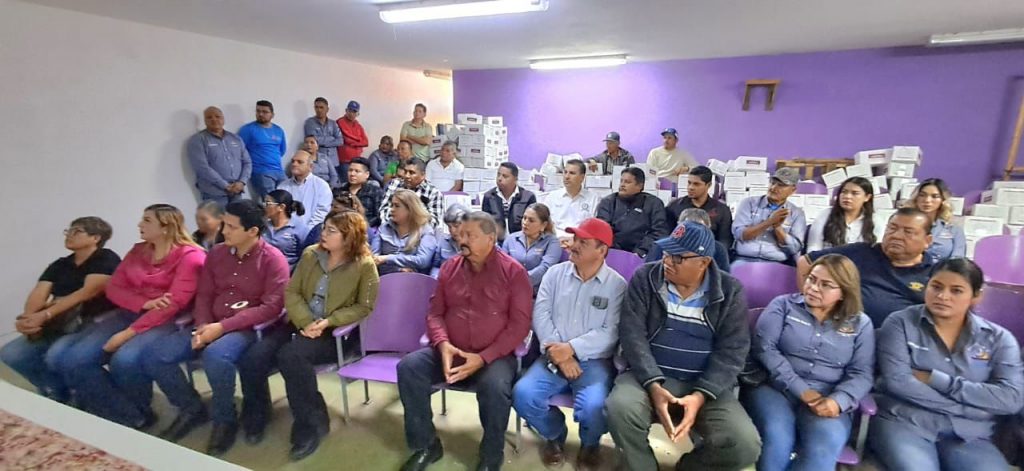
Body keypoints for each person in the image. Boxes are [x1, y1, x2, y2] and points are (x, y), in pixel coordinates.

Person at [607, 221, 760, 471]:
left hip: (703, 384)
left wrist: (700, 395)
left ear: (704, 262)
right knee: (620, 407)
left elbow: (732, 351)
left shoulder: (730, 291)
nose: (668, 261)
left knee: (744, 444)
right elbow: (632, 335)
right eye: (667, 253)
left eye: (678, 257)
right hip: (648, 377)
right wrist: (653, 384)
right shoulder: (646, 277)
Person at [142, 200, 290, 455]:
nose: (224, 231)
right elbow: (204, 295)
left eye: (232, 227)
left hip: (247, 327)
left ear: (252, 231)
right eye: (224, 225)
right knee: (156, 355)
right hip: (210, 322)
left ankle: (225, 419)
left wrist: (221, 328)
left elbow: (271, 308)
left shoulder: (273, 259)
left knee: (216, 355)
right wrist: (202, 325)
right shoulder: (218, 253)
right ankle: (191, 408)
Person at [397, 212, 532, 471]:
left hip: (493, 356)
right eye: (460, 234)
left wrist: (482, 358)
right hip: (452, 350)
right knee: (409, 367)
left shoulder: (514, 272)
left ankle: (491, 456)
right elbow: (435, 313)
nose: (462, 240)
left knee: (495, 386)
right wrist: (443, 344)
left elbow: (519, 326)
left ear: (490, 239)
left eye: (470, 235)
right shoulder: (450, 267)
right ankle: (426, 445)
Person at [869, 258, 1023, 470]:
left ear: (976, 296)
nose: (943, 296)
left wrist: (937, 380)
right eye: (936, 287)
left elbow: (1011, 399)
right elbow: (898, 381)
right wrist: (969, 408)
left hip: (969, 434)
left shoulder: (998, 338)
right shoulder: (900, 323)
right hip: (906, 422)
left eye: (956, 290)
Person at [62, 205, 206, 428]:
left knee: (125, 359)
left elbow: (172, 304)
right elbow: (114, 288)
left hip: (166, 320)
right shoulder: (139, 250)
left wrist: (126, 334)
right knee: (75, 359)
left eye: (147, 220)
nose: (140, 224)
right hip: (130, 312)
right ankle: (129, 414)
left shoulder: (191, 256)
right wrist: (143, 303)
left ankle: (144, 412)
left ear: (166, 227)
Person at [741, 254, 874, 471]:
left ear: (844, 292)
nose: (813, 288)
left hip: (828, 395)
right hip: (775, 388)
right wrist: (802, 390)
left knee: (825, 443)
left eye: (825, 285)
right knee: (777, 436)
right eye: (811, 279)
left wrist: (838, 401)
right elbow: (765, 350)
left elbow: (862, 373)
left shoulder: (860, 324)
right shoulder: (783, 305)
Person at [512, 218, 626, 470]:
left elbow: (611, 332)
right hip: (552, 355)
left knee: (595, 407)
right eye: (575, 239)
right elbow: (541, 315)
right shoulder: (554, 274)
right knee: (523, 395)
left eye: (583, 243)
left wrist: (571, 349)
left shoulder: (617, 286)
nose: (574, 246)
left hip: (594, 361)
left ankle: (590, 444)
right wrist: (558, 352)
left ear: (602, 250)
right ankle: (554, 434)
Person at [279, 210, 380, 460]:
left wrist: (328, 322)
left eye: (331, 231)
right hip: (302, 323)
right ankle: (306, 412)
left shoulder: (364, 264)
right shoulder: (311, 254)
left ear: (349, 237)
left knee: (290, 357)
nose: (323, 234)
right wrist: (306, 322)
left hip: (335, 334)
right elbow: (292, 292)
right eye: (324, 228)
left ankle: (308, 426)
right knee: (261, 355)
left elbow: (364, 307)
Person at [1, 217, 120, 404]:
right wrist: (29, 320)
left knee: (57, 355)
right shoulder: (61, 264)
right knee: (12, 353)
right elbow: (39, 292)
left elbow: (88, 292)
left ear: (95, 238)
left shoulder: (106, 258)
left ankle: (96, 398)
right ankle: (59, 392)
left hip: (95, 321)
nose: (69, 235)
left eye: (77, 231)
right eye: (68, 231)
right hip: (61, 322)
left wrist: (46, 314)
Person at [799, 207, 935, 327]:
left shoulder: (934, 274)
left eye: (908, 232)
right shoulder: (860, 252)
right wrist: (812, 305)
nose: (896, 236)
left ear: (927, 241)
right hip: (843, 332)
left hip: (895, 339)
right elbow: (805, 261)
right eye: (892, 228)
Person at [732, 167, 806, 265]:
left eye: (781, 185)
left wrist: (777, 228)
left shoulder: (797, 213)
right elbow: (740, 235)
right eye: (772, 182)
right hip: (744, 259)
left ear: (793, 190)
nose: (773, 188)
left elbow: (795, 248)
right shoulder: (749, 203)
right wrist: (769, 222)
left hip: (776, 263)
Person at [595, 167, 670, 258]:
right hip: (611, 252)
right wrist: (616, 252)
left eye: (627, 182)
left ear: (640, 186)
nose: (622, 185)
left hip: (643, 254)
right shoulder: (608, 202)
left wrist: (640, 252)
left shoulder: (654, 203)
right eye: (621, 181)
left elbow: (659, 232)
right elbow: (603, 229)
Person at [187, 106, 252, 205]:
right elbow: (201, 167)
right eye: (209, 117)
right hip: (214, 192)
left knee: (237, 215)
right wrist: (225, 185)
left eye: (217, 116)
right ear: (204, 120)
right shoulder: (198, 140)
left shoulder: (235, 138)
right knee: (218, 216)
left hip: (237, 190)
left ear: (223, 119)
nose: (214, 119)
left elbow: (247, 162)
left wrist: (242, 182)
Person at [665, 165, 733, 251]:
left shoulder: (722, 210)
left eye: (696, 184)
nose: (690, 187)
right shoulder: (674, 206)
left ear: (708, 185)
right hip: (679, 253)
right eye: (689, 183)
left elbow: (725, 240)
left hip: (710, 253)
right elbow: (667, 235)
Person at [372, 189, 438, 275]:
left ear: (410, 209)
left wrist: (387, 258)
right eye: (391, 205)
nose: (391, 209)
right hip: (385, 277)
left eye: (397, 206)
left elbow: (423, 261)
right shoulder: (384, 228)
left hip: (415, 279)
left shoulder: (425, 230)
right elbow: (374, 260)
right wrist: (398, 269)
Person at [501, 203, 562, 291]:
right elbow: (502, 264)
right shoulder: (511, 239)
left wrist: (520, 281)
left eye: (531, 220)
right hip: (509, 288)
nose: (525, 223)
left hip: (538, 291)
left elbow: (546, 267)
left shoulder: (552, 242)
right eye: (524, 218)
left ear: (543, 225)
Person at [646, 208, 731, 272]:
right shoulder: (661, 245)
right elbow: (649, 272)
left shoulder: (718, 249)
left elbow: (723, 279)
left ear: (708, 229)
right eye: (687, 228)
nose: (692, 233)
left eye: (698, 229)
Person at [806, 177, 877, 252]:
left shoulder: (875, 220)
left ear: (867, 197)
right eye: (844, 192)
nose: (847, 196)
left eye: (855, 193)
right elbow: (814, 246)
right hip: (828, 258)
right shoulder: (825, 214)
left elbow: (876, 251)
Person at [904, 178, 966, 262]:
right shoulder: (903, 225)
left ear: (943, 200)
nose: (927, 200)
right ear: (916, 198)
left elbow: (957, 260)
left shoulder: (954, 230)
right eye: (922, 195)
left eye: (935, 196)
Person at [540, 159, 601, 240]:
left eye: (572, 173)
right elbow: (544, 224)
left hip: (581, 242)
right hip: (555, 241)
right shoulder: (552, 197)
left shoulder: (594, 199)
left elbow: (594, 228)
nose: (567, 177)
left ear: (582, 177)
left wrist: (576, 240)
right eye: (565, 172)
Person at [238, 100, 287, 199]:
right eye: (258, 111)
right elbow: (239, 151)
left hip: (279, 170)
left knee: (286, 198)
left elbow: (282, 150)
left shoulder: (278, 130)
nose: (260, 114)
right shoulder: (248, 129)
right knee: (272, 201)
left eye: (265, 112)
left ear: (272, 115)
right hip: (261, 172)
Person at [277, 150, 332, 232]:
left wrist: (305, 233)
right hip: (284, 233)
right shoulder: (282, 186)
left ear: (310, 167)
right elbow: (277, 211)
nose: (294, 164)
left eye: (300, 162)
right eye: (293, 161)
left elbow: (321, 214)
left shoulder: (322, 186)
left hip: (311, 233)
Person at [380, 159, 445, 227]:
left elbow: (435, 221)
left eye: (411, 173)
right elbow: (384, 209)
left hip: (420, 230)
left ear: (423, 175)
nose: (407, 176)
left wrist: (410, 225)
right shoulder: (395, 184)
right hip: (392, 227)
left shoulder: (433, 192)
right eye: (405, 172)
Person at [481, 162, 537, 241]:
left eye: (505, 176)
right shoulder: (489, 197)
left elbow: (533, 224)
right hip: (496, 241)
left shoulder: (528, 197)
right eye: (498, 175)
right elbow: (485, 224)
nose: (500, 178)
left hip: (521, 241)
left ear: (515, 179)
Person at [301, 192, 366, 250]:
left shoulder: (363, 230)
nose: (331, 210)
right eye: (331, 206)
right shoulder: (318, 228)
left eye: (336, 207)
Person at [263, 189, 307, 269]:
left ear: (281, 207)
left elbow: (305, 254)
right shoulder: (264, 225)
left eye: (267, 204)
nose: (264, 207)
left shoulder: (298, 228)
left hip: (287, 271)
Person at [338, 157, 384, 227]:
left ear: (367, 174)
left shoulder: (375, 191)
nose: (352, 174)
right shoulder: (340, 191)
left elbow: (379, 216)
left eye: (357, 171)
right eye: (350, 170)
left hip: (366, 227)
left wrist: (362, 225)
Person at [303, 97, 343, 173]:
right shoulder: (309, 122)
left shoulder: (333, 123)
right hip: (318, 161)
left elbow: (340, 141)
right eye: (316, 107)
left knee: (334, 179)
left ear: (327, 109)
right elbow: (313, 140)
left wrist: (322, 142)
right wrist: (331, 138)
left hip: (334, 161)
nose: (319, 110)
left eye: (321, 107)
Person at [432, 204, 469, 277]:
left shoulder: (476, 244)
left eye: (456, 226)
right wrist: (435, 277)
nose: (452, 230)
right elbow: (436, 266)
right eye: (449, 226)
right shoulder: (443, 242)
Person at [335, 100, 368, 177]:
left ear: (358, 114)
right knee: (346, 182)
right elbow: (346, 139)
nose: (351, 113)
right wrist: (359, 140)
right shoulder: (340, 122)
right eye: (350, 110)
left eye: (354, 111)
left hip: (356, 161)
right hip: (344, 161)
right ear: (346, 110)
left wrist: (354, 143)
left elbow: (366, 142)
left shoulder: (358, 125)